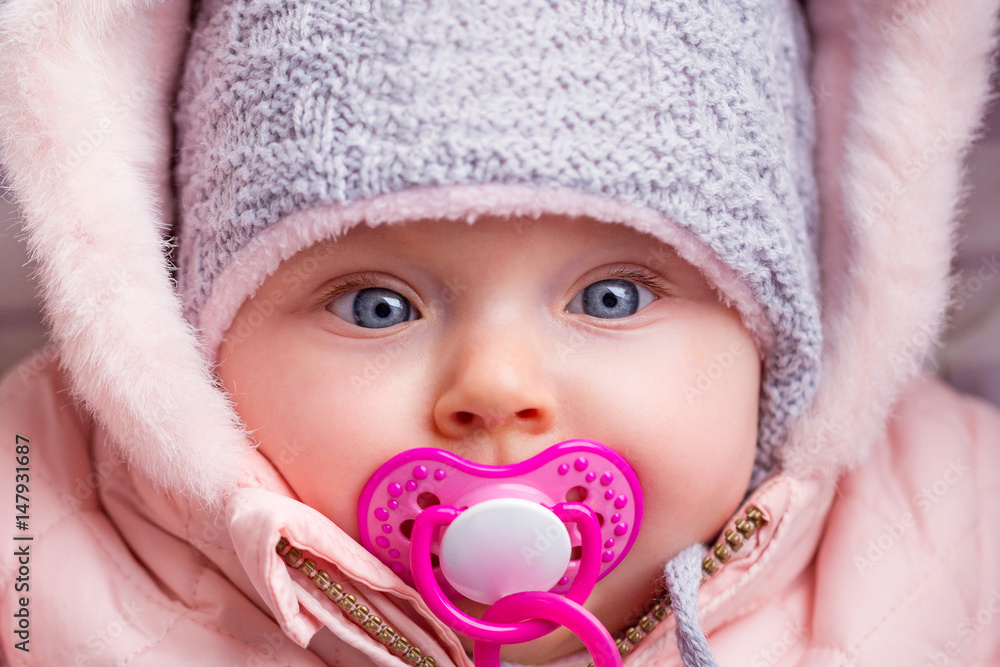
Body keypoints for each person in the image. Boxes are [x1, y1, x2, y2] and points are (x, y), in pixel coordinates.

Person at [0, 1, 998, 666]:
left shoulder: (958, 532)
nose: (495, 385)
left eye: (611, 298)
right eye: (374, 306)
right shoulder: (37, 533)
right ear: (189, 346)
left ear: (779, 346)